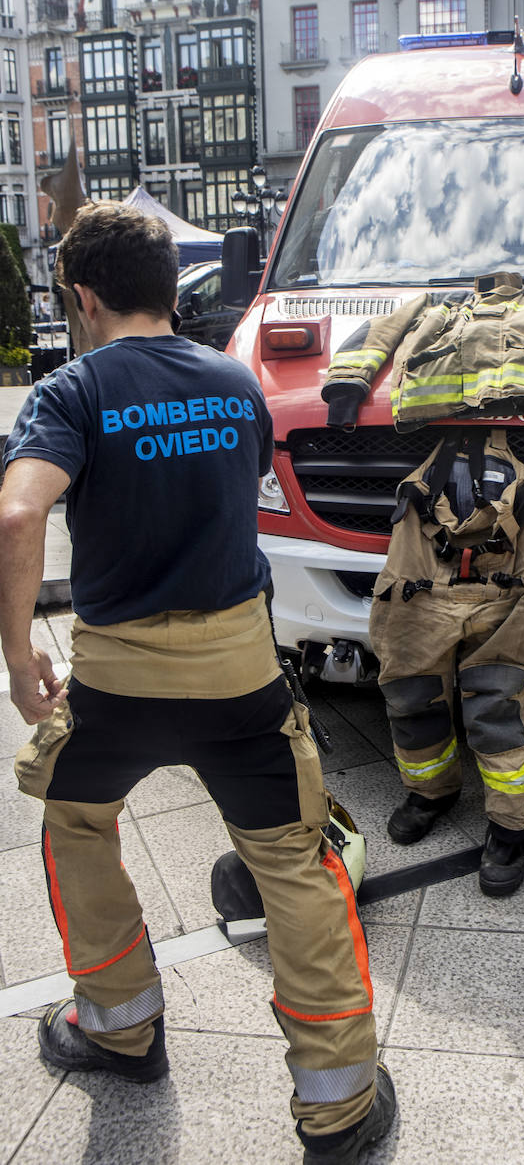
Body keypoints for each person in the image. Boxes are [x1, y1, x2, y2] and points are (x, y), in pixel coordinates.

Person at [0, 203, 394, 1165]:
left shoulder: (71, 391)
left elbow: (17, 515)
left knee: (76, 820)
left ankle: (120, 1029)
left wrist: (18, 658)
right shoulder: (234, 381)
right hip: (239, 674)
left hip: (115, 682)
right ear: (171, 291)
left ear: (83, 297)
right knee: (292, 861)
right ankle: (339, 1103)